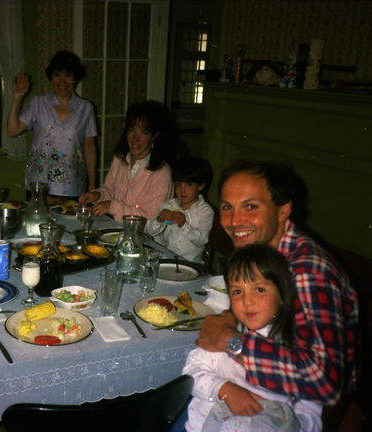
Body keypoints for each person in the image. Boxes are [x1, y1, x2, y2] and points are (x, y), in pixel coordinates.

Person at [197, 160, 359, 406]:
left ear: (283, 211)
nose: (234, 220)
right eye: (227, 207)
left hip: (303, 409)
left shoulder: (306, 271)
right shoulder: (261, 253)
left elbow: (325, 383)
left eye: (251, 207)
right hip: (262, 386)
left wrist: (231, 342)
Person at [183, 244, 322, 431]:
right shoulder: (224, 329)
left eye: (259, 289)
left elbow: (310, 406)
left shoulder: (296, 345)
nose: (247, 301)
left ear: (282, 294)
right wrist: (224, 390)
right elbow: (192, 371)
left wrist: (295, 426)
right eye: (237, 291)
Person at [6, 50, 98, 205]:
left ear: (75, 78)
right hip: (39, 185)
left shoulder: (86, 108)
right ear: (51, 77)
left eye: (68, 75)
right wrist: (17, 98)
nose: (62, 81)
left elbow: (90, 147)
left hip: (72, 186)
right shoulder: (38, 103)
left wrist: (93, 184)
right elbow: (12, 131)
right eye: (57, 75)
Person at [78, 100, 173, 222]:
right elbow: (110, 190)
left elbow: (151, 220)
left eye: (144, 133)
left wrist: (113, 207)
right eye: (132, 130)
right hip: (115, 229)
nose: (135, 138)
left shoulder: (161, 173)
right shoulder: (120, 158)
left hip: (143, 237)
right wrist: (98, 195)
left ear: (155, 136)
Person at [145, 155, 214, 263]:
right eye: (178, 185)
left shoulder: (205, 212)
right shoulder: (169, 205)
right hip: (167, 258)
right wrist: (159, 219)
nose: (182, 190)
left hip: (192, 263)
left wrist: (183, 224)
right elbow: (149, 232)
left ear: (200, 186)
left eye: (189, 185)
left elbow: (201, 240)